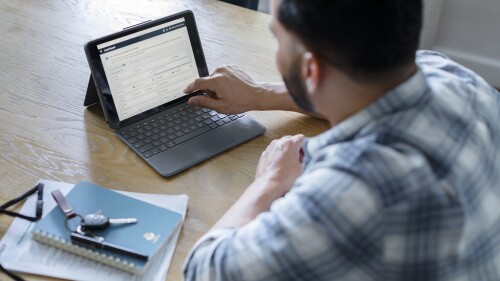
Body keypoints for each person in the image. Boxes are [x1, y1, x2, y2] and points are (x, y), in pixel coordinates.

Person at [183, 0, 500, 280]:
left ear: (311, 69)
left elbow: (204, 269)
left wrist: (269, 182)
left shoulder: (351, 195)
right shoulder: (457, 78)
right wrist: (258, 95)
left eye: (278, 38)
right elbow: (355, 91)